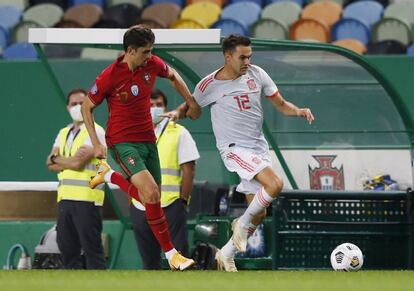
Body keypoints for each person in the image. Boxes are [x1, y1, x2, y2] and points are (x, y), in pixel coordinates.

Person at [171, 34, 315, 272]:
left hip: (258, 147)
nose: (247, 61)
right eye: (242, 57)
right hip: (234, 148)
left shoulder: (257, 74)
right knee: (275, 184)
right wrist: (177, 114)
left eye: (250, 56)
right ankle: (240, 223)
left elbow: (280, 103)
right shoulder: (209, 85)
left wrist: (298, 111)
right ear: (228, 57)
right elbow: (191, 109)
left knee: (259, 213)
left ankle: (225, 254)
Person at [81, 25, 200, 271]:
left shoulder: (151, 64)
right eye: (145, 52)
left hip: (148, 141)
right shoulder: (109, 76)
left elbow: (174, 75)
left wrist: (190, 102)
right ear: (130, 51)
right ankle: (172, 255)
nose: (150, 56)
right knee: (152, 194)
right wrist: (96, 142)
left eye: (151, 51)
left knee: (150, 199)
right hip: (122, 142)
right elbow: (86, 106)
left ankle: (109, 175)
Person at [130, 89, 200, 269]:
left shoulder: (178, 132)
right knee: (149, 259)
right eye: (150, 105)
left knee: (180, 258)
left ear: (166, 107)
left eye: (158, 105)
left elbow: (189, 170)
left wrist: (182, 202)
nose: (154, 108)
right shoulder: (133, 133)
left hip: (170, 204)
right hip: (141, 204)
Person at [46, 88, 107, 269]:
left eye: (82, 103)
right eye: (74, 104)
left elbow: (76, 164)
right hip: (65, 199)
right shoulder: (63, 132)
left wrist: (58, 159)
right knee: (67, 249)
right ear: (67, 107)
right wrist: (65, 160)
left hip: (87, 200)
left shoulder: (95, 131)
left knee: (92, 251)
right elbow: (49, 163)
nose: (78, 107)